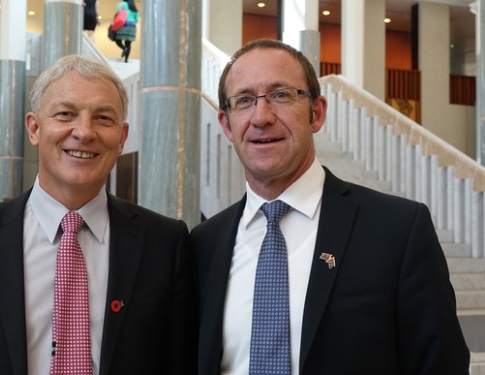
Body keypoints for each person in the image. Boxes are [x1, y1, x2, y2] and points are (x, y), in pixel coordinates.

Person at [191, 39, 469, 375]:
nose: (261, 117)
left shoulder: (397, 230)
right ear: (226, 124)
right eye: (244, 100)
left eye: (281, 95)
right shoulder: (204, 243)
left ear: (317, 113)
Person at [0, 55, 197, 375]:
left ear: (123, 137)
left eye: (103, 118)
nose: (84, 132)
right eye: (65, 114)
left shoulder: (165, 244)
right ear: (34, 128)